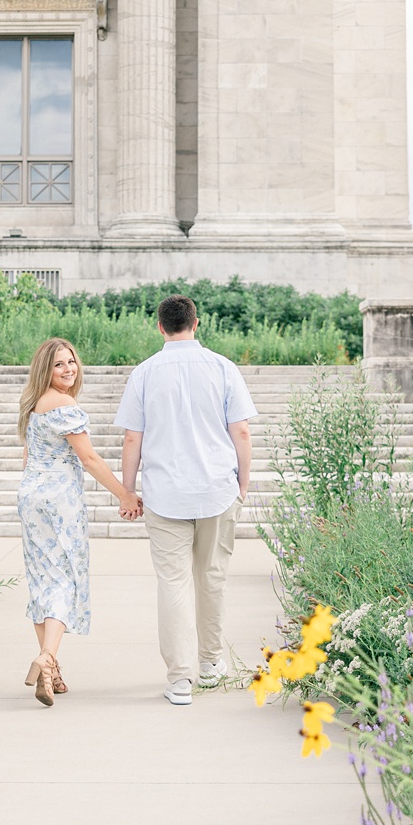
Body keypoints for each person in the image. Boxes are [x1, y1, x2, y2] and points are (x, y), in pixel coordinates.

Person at [115, 295, 258, 705]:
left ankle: (180, 679)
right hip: (217, 488)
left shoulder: (144, 373)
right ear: (197, 323)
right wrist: (242, 484)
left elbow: (131, 438)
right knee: (212, 578)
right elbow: (242, 432)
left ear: (159, 326)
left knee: (173, 584)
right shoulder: (223, 368)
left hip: (165, 494)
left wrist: (128, 490)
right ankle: (211, 664)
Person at [17, 337, 142, 707]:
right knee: (64, 580)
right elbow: (88, 458)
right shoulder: (65, 405)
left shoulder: (33, 405)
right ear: (45, 369)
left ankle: (52, 673)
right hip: (59, 502)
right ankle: (46, 658)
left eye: (71, 361)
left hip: (30, 498)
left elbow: (28, 457)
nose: (68, 369)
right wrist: (124, 493)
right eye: (58, 364)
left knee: (42, 579)